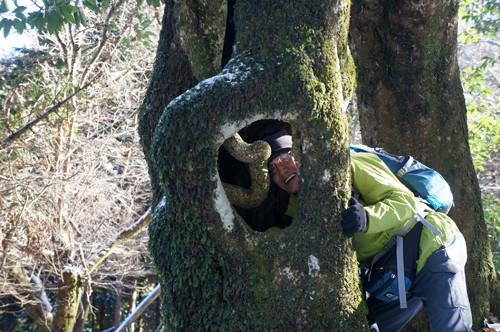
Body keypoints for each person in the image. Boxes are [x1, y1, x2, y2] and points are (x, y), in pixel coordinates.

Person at [263, 130, 473, 332]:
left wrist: (367, 217)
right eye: (273, 169)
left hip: (432, 247)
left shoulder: (346, 163)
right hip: (394, 274)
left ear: (301, 154)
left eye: (286, 159)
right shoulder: (297, 212)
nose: (282, 171)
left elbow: (405, 202)